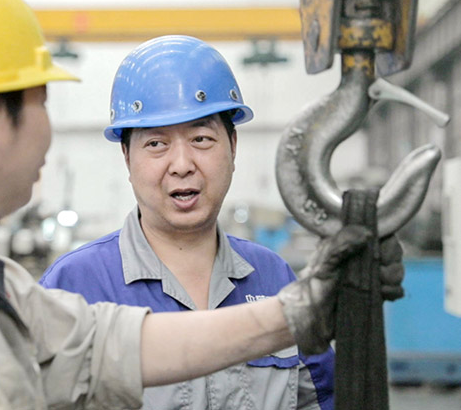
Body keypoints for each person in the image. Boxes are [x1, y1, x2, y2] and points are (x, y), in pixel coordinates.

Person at [0, 0, 391, 408]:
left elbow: (105, 348)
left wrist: (301, 309)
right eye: (41, 99)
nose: (49, 127)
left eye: (201, 138)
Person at [40, 35, 405, 409]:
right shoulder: (72, 286)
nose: (182, 165)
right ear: (126, 157)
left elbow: (326, 399)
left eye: (201, 139)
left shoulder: (274, 278)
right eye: (156, 144)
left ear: (233, 146)